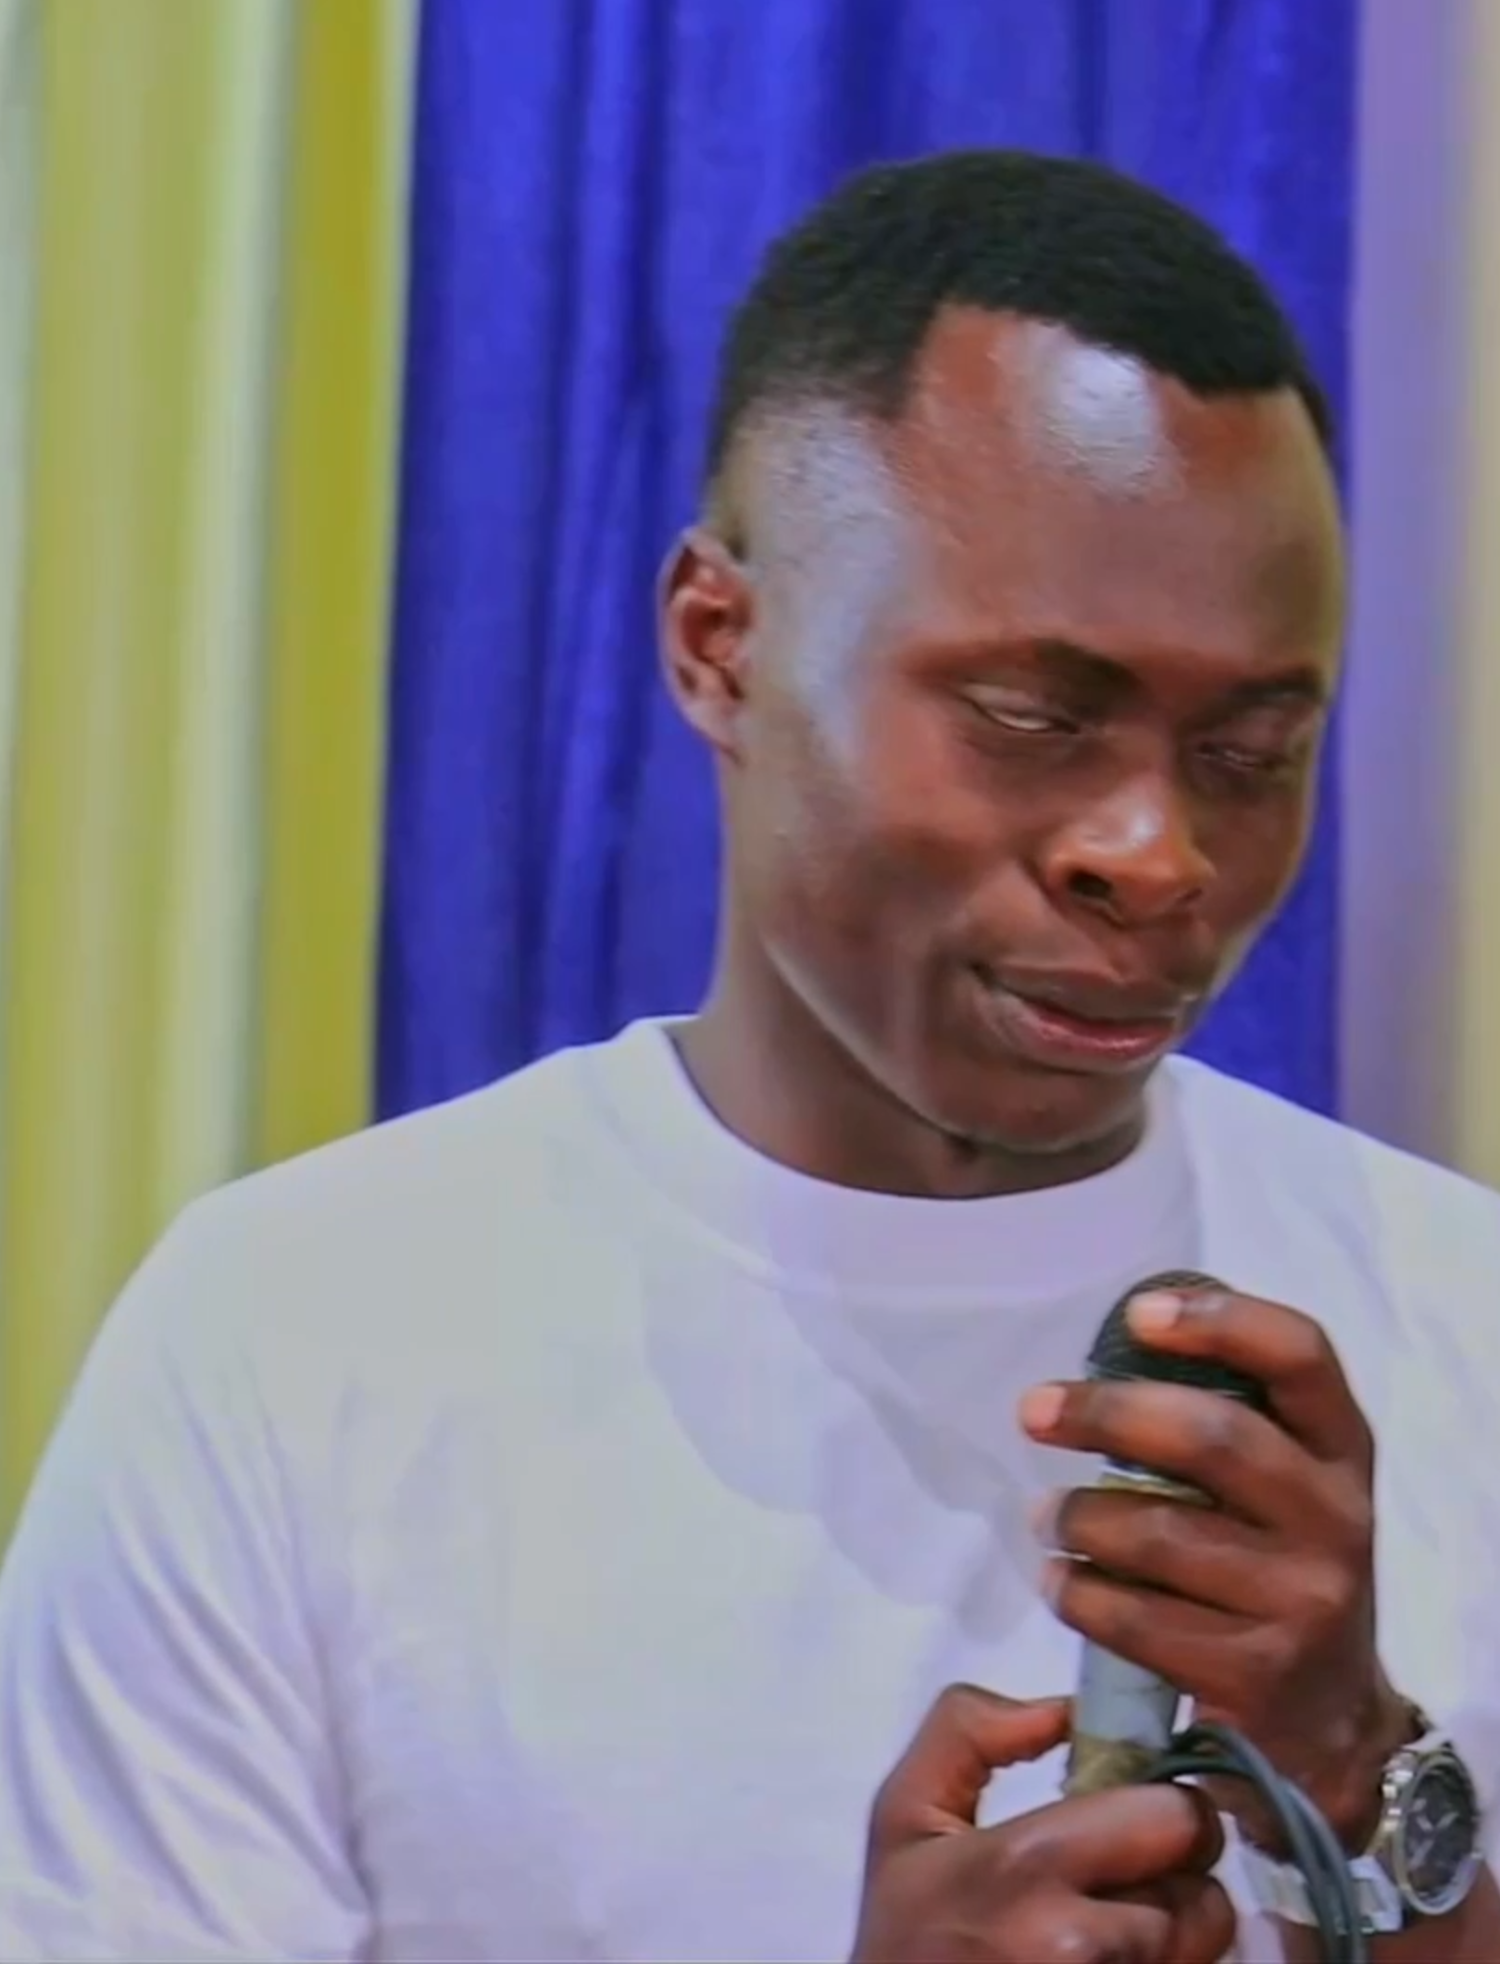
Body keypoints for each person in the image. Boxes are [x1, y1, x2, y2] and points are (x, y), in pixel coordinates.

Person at [0, 149, 1495, 1964]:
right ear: (722, 646)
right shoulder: (294, 1342)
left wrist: (1359, 1773)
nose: (1156, 852)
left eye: (1252, 755)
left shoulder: (1458, 1320)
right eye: (1034, 718)